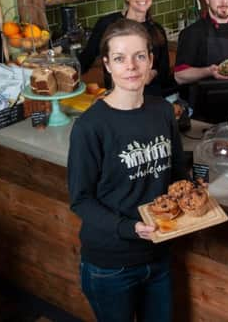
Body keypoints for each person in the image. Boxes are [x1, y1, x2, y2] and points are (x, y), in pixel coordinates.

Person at [68, 19, 186, 322]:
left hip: (158, 255)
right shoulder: (91, 126)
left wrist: (192, 192)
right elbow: (81, 200)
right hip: (111, 264)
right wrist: (130, 228)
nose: (131, 66)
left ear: (151, 60)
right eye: (120, 58)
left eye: (139, 56)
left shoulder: (162, 111)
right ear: (107, 64)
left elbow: (176, 175)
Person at [78, 0, 171, 96]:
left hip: (151, 100)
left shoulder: (157, 30)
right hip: (117, 99)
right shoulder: (107, 24)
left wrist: (150, 74)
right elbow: (85, 59)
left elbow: (164, 71)